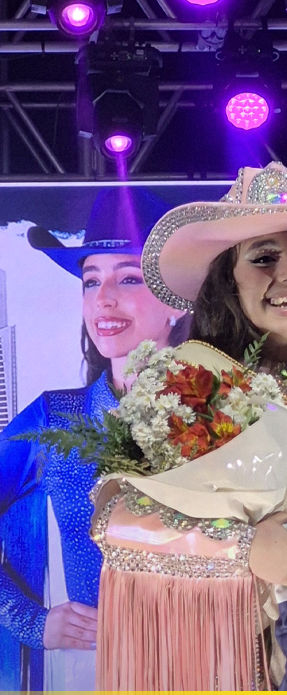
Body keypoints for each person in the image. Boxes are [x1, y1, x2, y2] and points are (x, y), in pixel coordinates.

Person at [90, 163, 287, 688]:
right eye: (265, 257)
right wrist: (243, 549)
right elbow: (117, 525)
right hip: (212, 663)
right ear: (226, 277)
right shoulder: (189, 385)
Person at [0, 188, 187, 691]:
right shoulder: (55, 419)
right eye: (90, 281)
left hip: (202, 663)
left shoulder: (222, 414)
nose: (102, 299)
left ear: (176, 300)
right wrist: (29, 621)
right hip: (87, 672)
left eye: (128, 278)